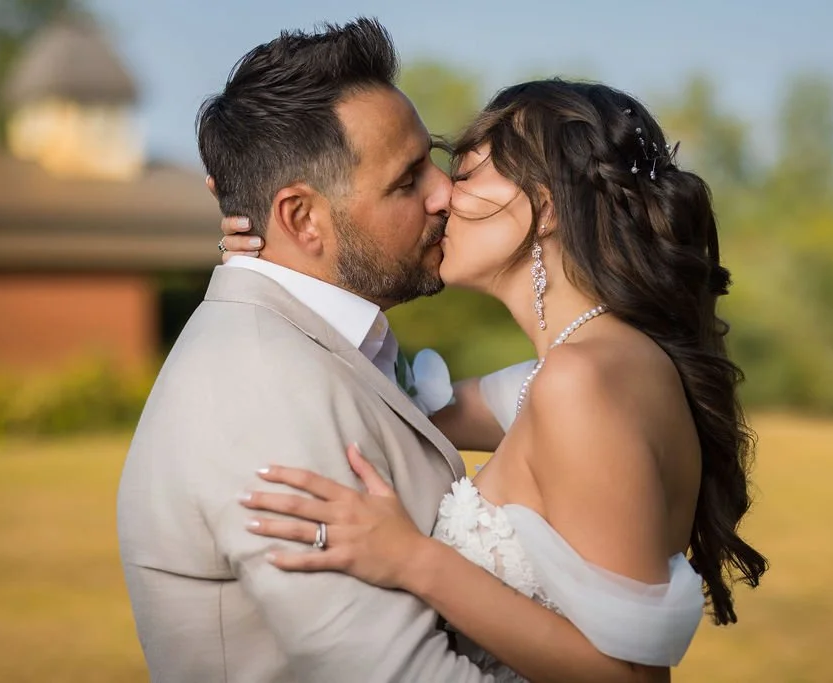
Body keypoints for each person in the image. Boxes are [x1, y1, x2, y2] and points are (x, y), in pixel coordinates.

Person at [217, 78, 767, 681]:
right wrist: (287, 265)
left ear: (548, 207)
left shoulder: (581, 382)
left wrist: (413, 560)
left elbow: (629, 676)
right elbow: (397, 406)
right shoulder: (583, 369)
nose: (442, 197)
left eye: (470, 173)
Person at [118, 19, 503, 682]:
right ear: (300, 219)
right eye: (407, 180)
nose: (446, 192)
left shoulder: (308, 338)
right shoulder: (258, 389)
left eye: (432, 156)